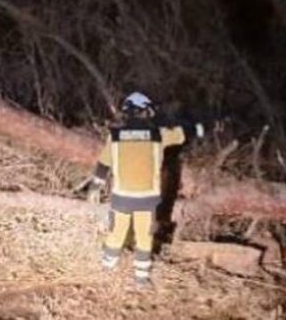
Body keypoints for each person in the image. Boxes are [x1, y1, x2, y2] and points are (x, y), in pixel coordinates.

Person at [85, 91, 208, 286]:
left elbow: (103, 164)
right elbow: (183, 134)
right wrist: (201, 126)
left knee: (117, 232)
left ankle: (107, 266)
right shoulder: (158, 134)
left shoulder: (115, 136)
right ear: (145, 111)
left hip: (122, 197)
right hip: (147, 198)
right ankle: (141, 278)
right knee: (144, 236)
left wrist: (95, 187)